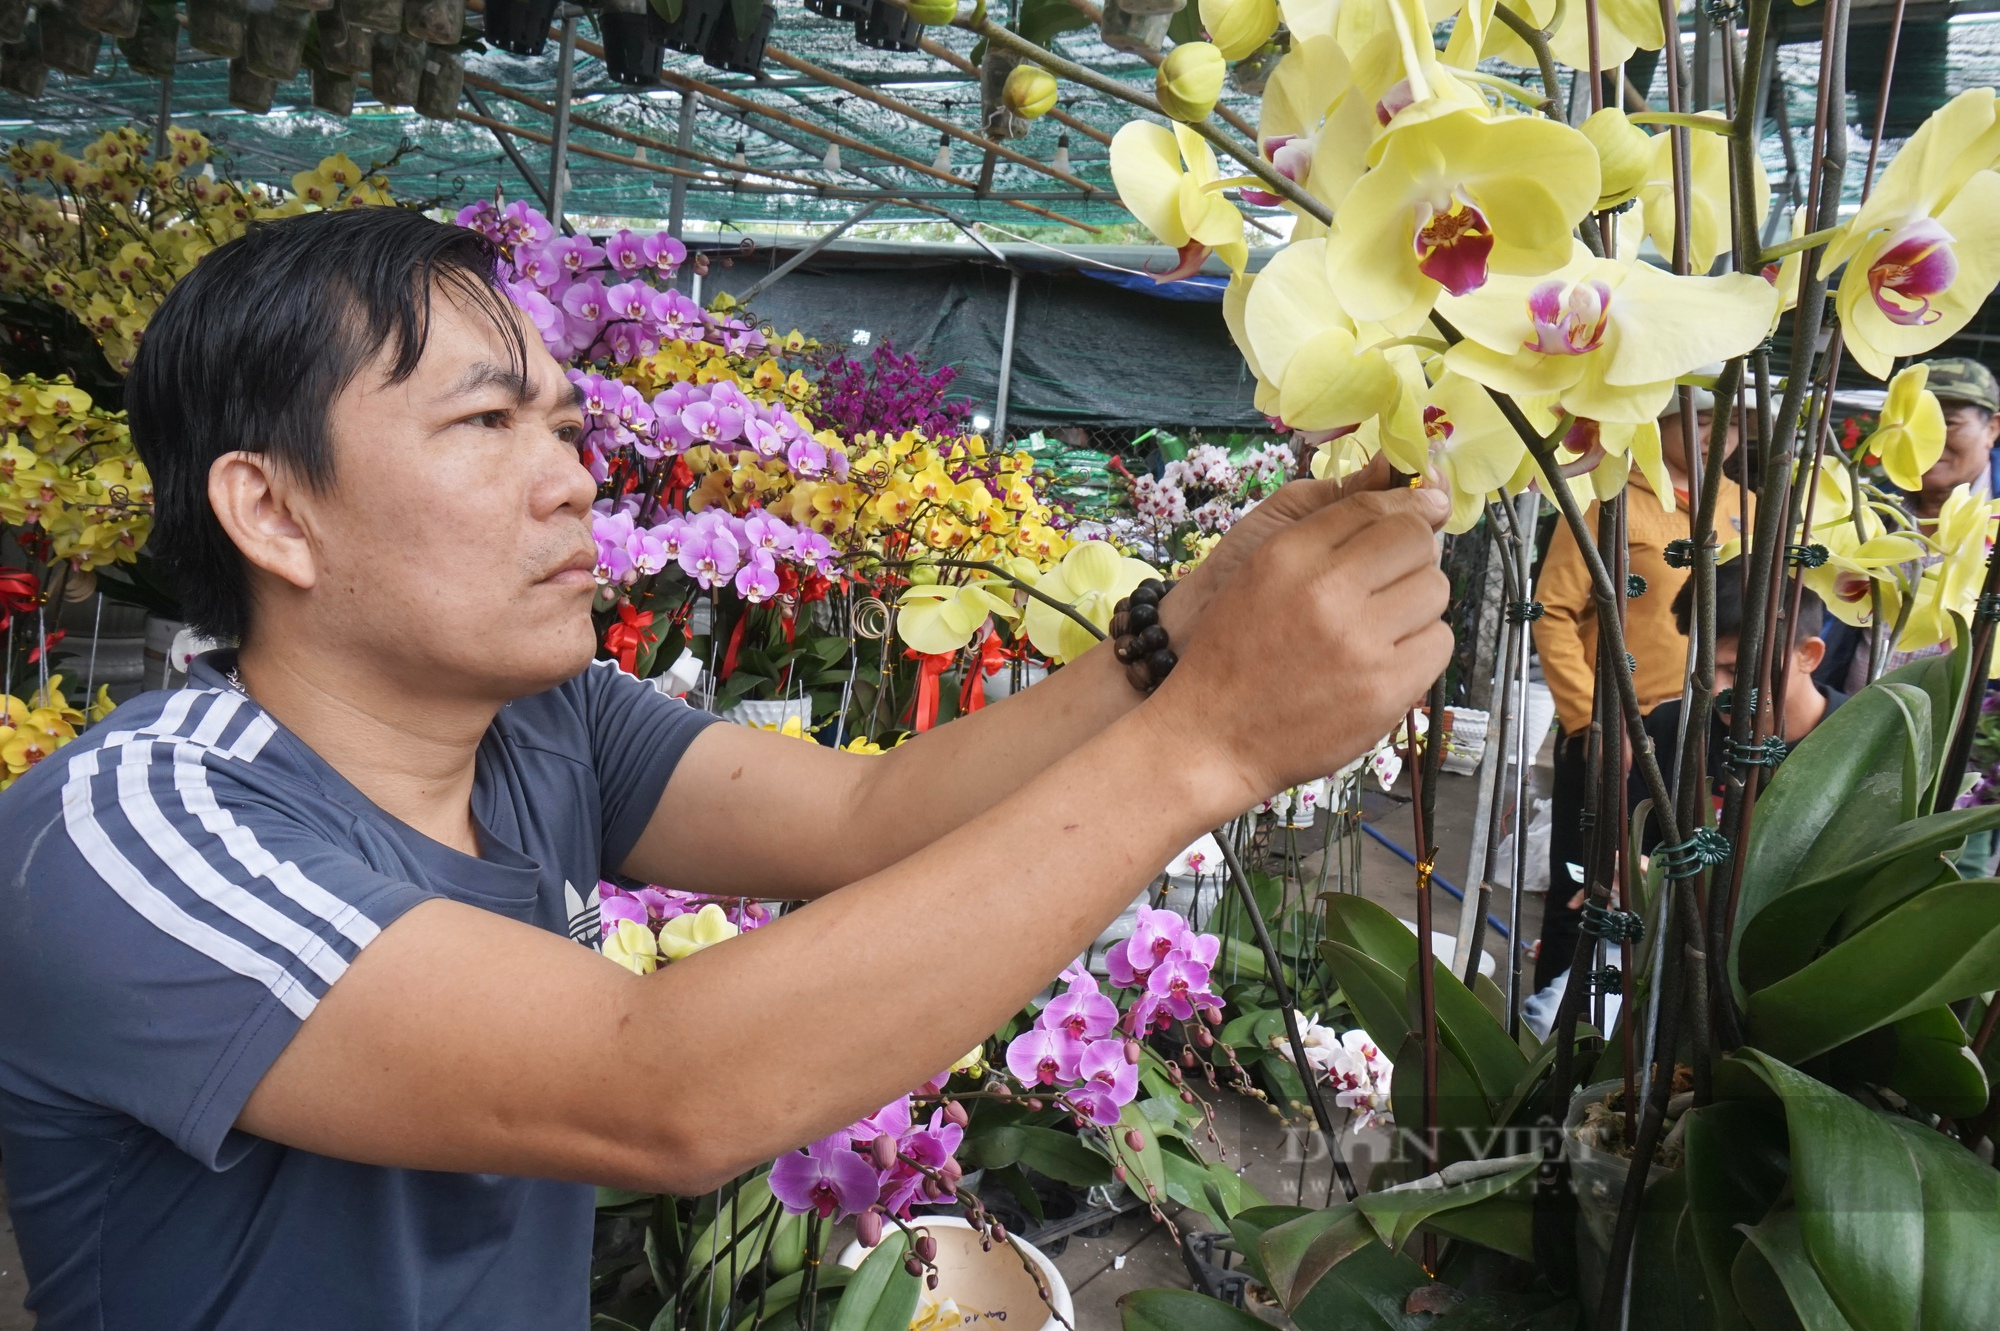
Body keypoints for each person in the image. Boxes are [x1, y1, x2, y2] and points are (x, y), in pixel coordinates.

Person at [0, 207, 1453, 1330]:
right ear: (272, 508)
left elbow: (866, 815)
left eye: (566, 423)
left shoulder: (548, 720)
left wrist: (1171, 635)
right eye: (487, 422)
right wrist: (1210, 742)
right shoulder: (135, 834)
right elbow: (660, 1088)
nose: (575, 473)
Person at [1530, 389, 1750, 991]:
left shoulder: (1746, 507)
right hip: (1623, 730)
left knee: (1692, 895)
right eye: (1705, 418)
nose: (1720, 433)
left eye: (1732, 422)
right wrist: (1590, 720)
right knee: (1591, 892)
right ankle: (1557, 1045)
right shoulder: (1610, 494)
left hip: (1713, 734)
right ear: (1661, 416)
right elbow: (1551, 612)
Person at [1819, 356, 2000, 691]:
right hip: (1850, 716)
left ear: (1992, 429)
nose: (1926, 440)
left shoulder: (1993, 520)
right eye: (1913, 424)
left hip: (1967, 734)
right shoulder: (1871, 510)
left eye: (1947, 423)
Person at [1637, 559, 1847, 811]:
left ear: (1809, 655)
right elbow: (1638, 841)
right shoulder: (1672, 728)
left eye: (1737, 670)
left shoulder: (1862, 742)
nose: (1715, 690)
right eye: (1703, 665)